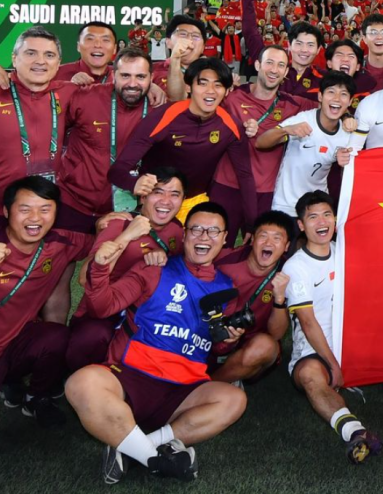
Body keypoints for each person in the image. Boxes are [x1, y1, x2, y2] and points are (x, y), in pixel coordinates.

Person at [65, 202, 247, 484]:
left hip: (184, 389)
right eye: (196, 229)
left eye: (213, 231)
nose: (204, 237)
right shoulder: (154, 267)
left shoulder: (227, 289)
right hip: (132, 376)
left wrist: (230, 340)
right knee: (80, 383)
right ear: (184, 235)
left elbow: (218, 347)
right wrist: (100, 268)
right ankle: (155, 459)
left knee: (234, 400)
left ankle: (133, 447)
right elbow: (102, 307)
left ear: (224, 239)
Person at [284, 191, 383, 464]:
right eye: (313, 217)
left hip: (353, 339)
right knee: (310, 376)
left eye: (327, 214)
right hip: (316, 348)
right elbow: (308, 322)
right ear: (301, 225)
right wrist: (332, 364)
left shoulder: (345, 251)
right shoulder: (296, 266)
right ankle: (355, 431)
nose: (322, 222)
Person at [108, 57, 258, 230]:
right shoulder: (162, 117)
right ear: (188, 87)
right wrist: (134, 183)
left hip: (194, 203)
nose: (210, 91)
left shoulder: (231, 126)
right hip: (156, 203)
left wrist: (252, 224)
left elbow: (245, 176)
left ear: (226, 91)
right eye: (202, 83)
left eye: (218, 85)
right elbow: (117, 171)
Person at [66, 167, 186, 373]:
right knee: (93, 336)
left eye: (174, 194)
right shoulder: (119, 224)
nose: (166, 201)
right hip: (104, 308)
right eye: (158, 192)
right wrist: (127, 236)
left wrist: (163, 258)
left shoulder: (176, 230)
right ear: (143, 197)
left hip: (144, 311)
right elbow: (84, 278)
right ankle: (73, 375)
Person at [0, 26, 81, 324]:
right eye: (31, 53)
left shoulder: (68, 92)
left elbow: (119, 89)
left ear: (59, 62)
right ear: (14, 58)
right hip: (3, 208)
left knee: (55, 278)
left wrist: (155, 87)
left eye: (49, 55)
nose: (40, 61)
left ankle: (50, 341)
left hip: (45, 208)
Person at [0, 177, 92, 426]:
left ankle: (35, 397)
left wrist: (109, 225)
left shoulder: (59, 243)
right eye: (25, 209)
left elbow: (104, 239)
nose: (35, 218)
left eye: (44, 209)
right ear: (6, 211)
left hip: (14, 346)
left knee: (56, 336)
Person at [209, 45, 314, 244]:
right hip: (227, 185)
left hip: (264, 190)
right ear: (257, 65)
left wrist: (347, 118)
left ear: (286, 72)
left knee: (257, 249)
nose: (274, 70)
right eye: (269, 63)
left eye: (281, 65)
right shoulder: (231, 96)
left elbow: (329, 107)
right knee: (216, 244)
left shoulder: (294, 104)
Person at [57, 47, 158, 234]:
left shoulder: (158, 107)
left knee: (110, 251)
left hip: (125, 207)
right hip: (74, 200)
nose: (132, 84)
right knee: (64, 250)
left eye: (141, 77)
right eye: (125, 75)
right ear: (113, 75)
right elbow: (52, 127)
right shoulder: (86, 97)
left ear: (151, 78)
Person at [208, 211, 293, 384]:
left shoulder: (288, 273)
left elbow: (276, 334)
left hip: (252, 343)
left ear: (286, 246)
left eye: (277, 238)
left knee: (266, 346)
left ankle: (209, 386)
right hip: (214, 335)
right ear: (252, 239)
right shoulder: (225, 261)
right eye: (263, 236)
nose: (269, 243)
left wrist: (279, 299)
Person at [259, 71, 356, 217]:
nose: (336, 98)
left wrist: (345, 163)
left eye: (343, 94)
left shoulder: (348, 133)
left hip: (318, 209)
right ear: (320, 96)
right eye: (331, 92)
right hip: (286, 205)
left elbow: (352, 173)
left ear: (349, 101)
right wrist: (286, 130)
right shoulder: (303, 120)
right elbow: (261, 142)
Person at [240, 0, 324, 98]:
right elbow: (250, 31)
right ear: (289, 45)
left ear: (318, 50)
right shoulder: (272, 65)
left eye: (310, 45)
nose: (304, 50)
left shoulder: (325, 80)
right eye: (299, 43)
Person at [153, 15, 208, 100]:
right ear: (168, 42)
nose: (189, 39)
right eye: (182, 34)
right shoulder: (151, 71)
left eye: (195, 36)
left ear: (203, 47)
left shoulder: (215, 74)